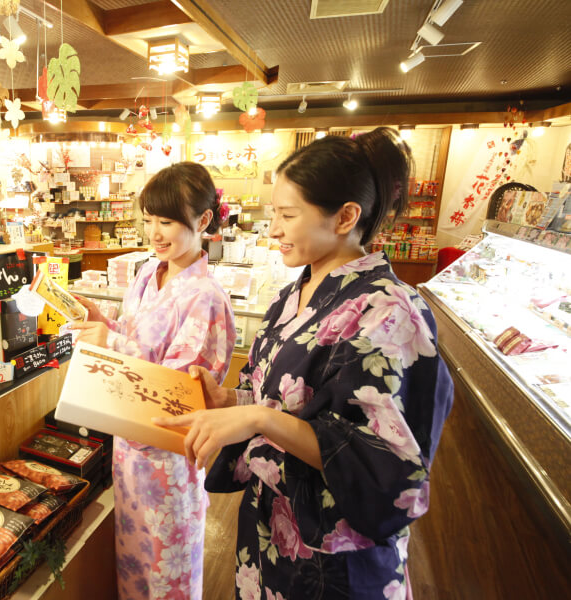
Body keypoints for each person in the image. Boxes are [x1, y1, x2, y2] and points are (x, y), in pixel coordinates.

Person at [155, 128, 454, 600]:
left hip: (335, 557)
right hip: (274, 532)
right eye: (274, 212)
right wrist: (231, 399)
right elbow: (281, 396)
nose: (273, 228)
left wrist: (257, 417)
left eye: (287, 214)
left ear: (346, 217)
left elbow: (382, 460)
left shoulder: (390, 312)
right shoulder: (298, 291)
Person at [71, 161, 236, 600]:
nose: (155, 233)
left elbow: (181, 389)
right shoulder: (149, 273)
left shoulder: (206, 297)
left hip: (168, 455)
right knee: (133, 564)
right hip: (129, 448)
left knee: (167, 570)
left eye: (167, 221)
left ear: (202, 221)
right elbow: (133, 333)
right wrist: (101, 322)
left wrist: (111, 344)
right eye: (148, 220)